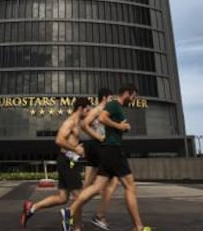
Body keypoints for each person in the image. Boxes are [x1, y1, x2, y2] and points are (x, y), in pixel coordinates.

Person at [61, 85, 151, 231]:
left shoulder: (113, 106)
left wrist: (120, 128)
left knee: (99, 187)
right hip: (111, 149)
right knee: (129, 186)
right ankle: (138, 227)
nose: (134, 99)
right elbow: (97, 120)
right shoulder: (113, 104)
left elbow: (103, 120)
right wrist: (116, 129)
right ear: (127, 93)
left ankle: (72, 211)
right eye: (134, 96)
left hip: (107, 150)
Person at [21, 97, 92, 231]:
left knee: (62, 197)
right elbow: (59, 140)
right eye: (88, 110)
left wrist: (78, 149)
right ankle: (76, 227)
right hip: (67, 161)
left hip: (69, 161)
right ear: (81, 108)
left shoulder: (78, 122)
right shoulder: (70, 122)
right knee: (79, 196)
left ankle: (32, 208)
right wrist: (75, 149)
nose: (89, 113)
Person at [81, 88, 119, 231]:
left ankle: (72, 214)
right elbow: (84, 125)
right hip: (100, 148)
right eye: (111, 98)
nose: (112, 101)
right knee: (112, 182)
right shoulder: (99, 109)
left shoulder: (103, 110)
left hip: (98, 148)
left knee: (90, 187)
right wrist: (99, 137)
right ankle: (99, 216)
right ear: (104, 98)